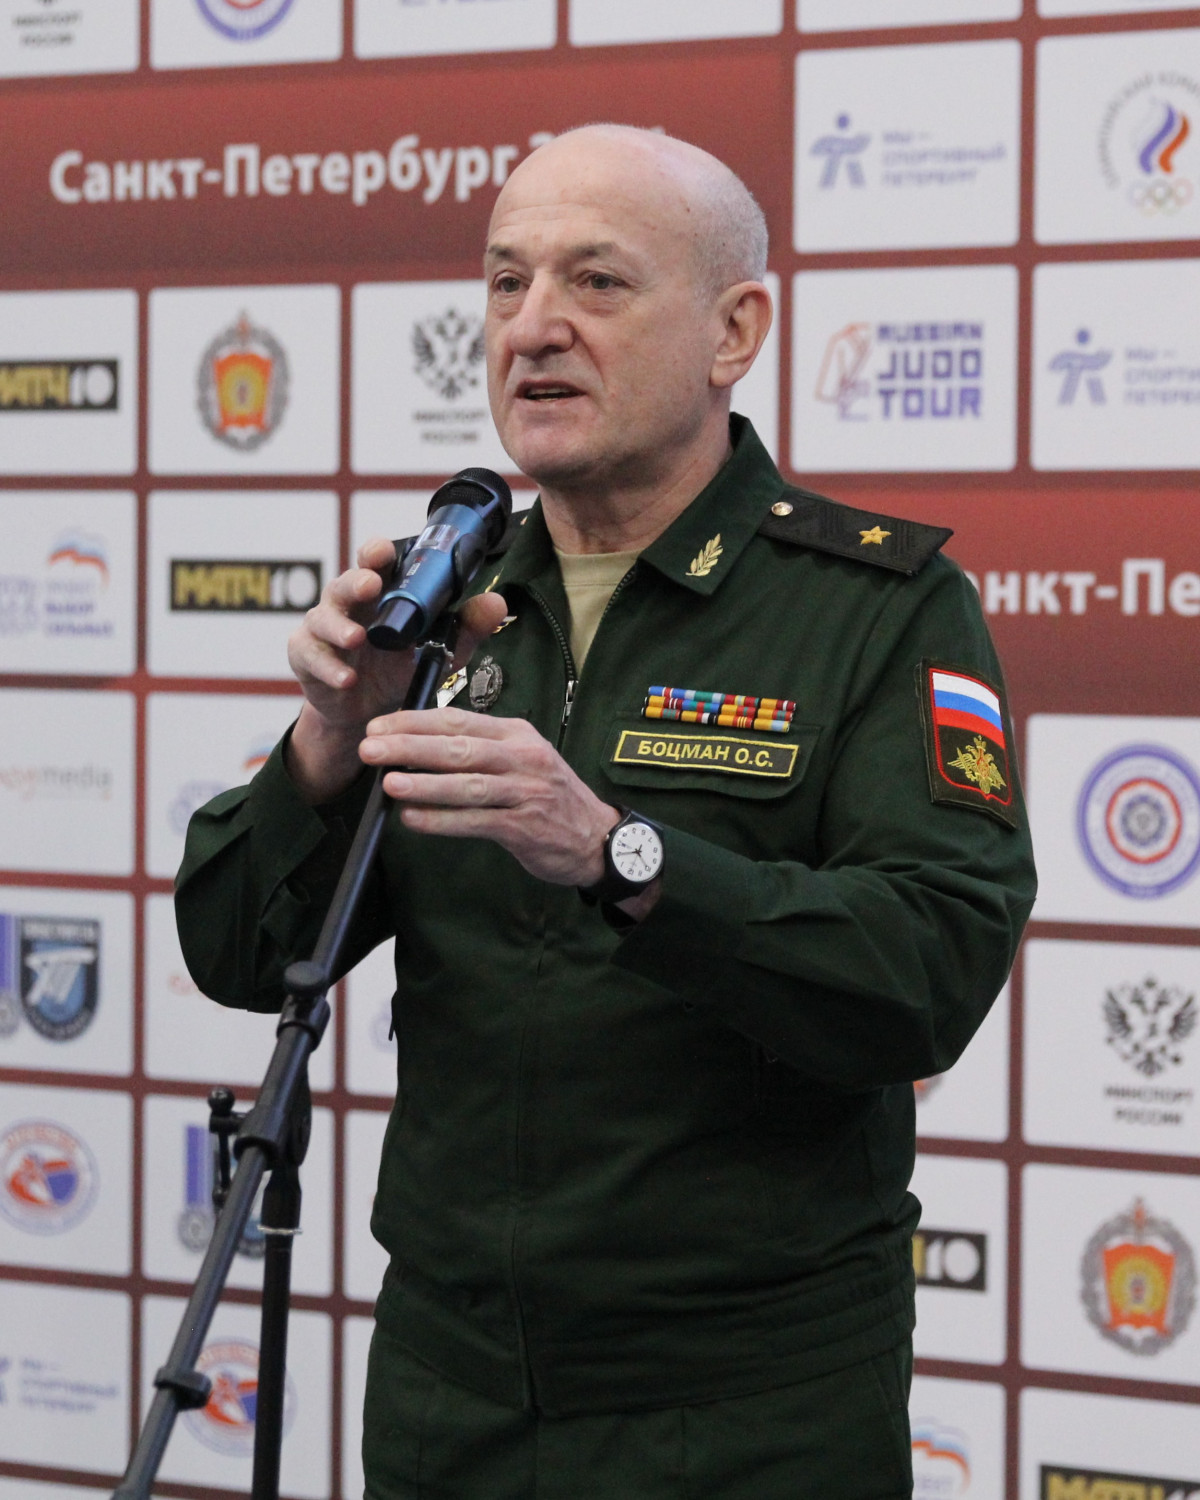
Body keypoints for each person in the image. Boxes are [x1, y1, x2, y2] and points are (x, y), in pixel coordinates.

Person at [176, 124, 1036, 1499]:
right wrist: (326, 746)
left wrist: (621, 855)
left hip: (747, 1415)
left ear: (734, 331)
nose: (533, 327)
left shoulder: (877, 608)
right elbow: (235, 952)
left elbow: (929, 971)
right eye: (505, 281)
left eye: (597, 282)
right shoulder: (449, 610)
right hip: (449, 1399)